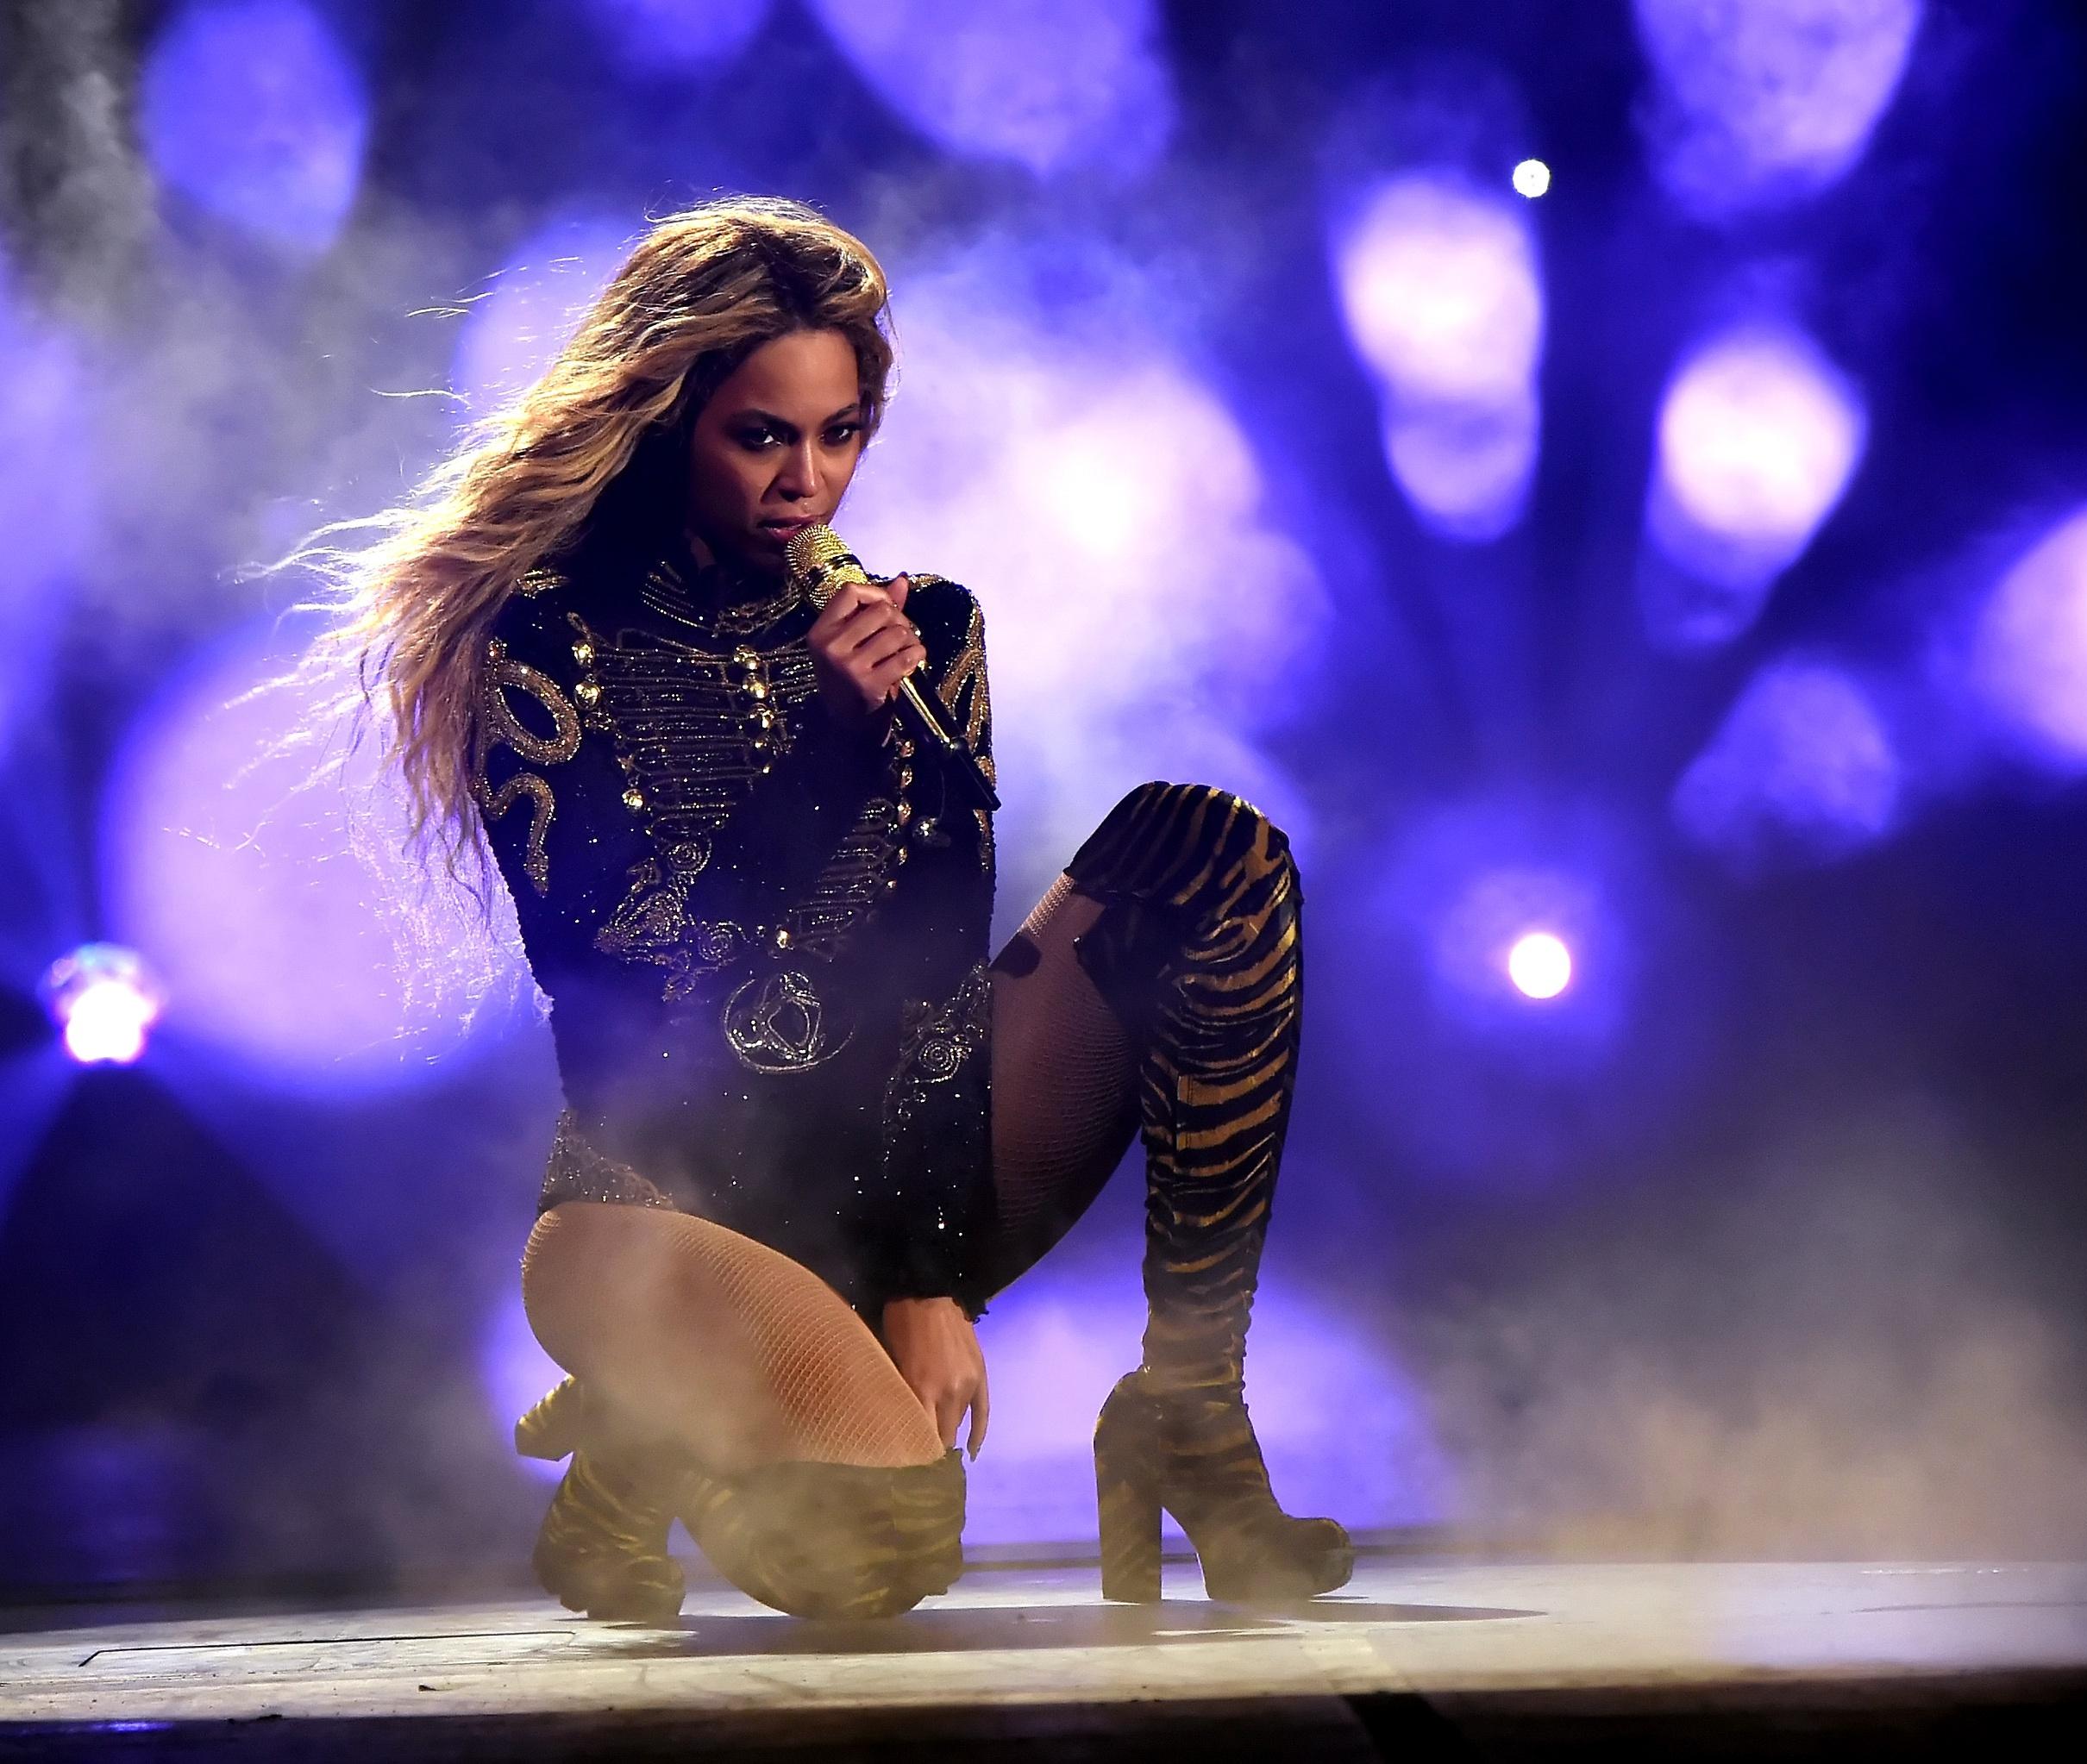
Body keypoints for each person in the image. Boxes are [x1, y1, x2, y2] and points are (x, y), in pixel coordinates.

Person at [310, 197, 1350, 1620]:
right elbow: (633, 986)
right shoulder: (549, 635)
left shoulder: (927, 630)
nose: (810, 479)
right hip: (666, 1197)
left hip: (887, 1161)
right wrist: (824, 746)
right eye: (762, 435)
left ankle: (1189, 1412)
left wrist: (924, 1267)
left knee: (1205, 855)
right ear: (674, 418)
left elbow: (930, 971)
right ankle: (651, 1427)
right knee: (884, 1550)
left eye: (841, 431)